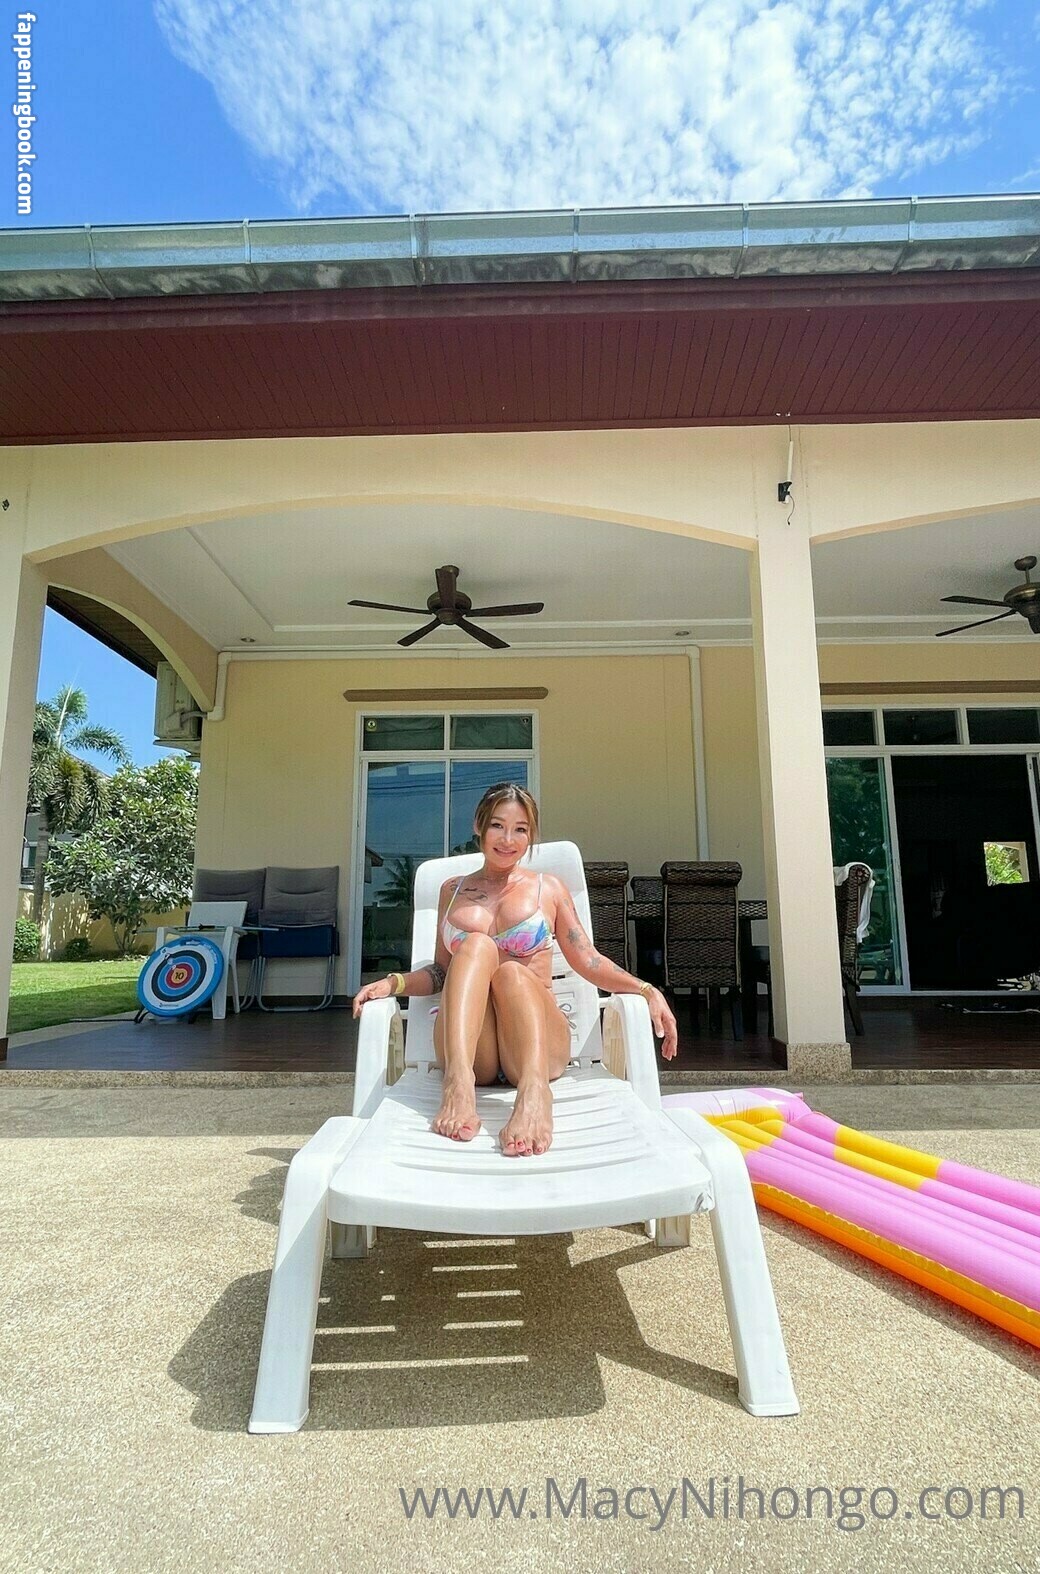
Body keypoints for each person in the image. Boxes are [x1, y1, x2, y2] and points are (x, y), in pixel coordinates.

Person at [352, 781, 678, 1158]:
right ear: (478, 825)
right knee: (475, 945)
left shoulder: (548, 888)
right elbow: (441, 972)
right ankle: (458, 1083)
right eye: (497, 825)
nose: (508, 840)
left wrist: (646, 990)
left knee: (512, 973)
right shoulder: (452, 891)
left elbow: (588, 960)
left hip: (535, 1047)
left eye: (520, 829)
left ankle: (535, 1094)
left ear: (531, 836)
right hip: (476, 1052)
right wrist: (393, 983)